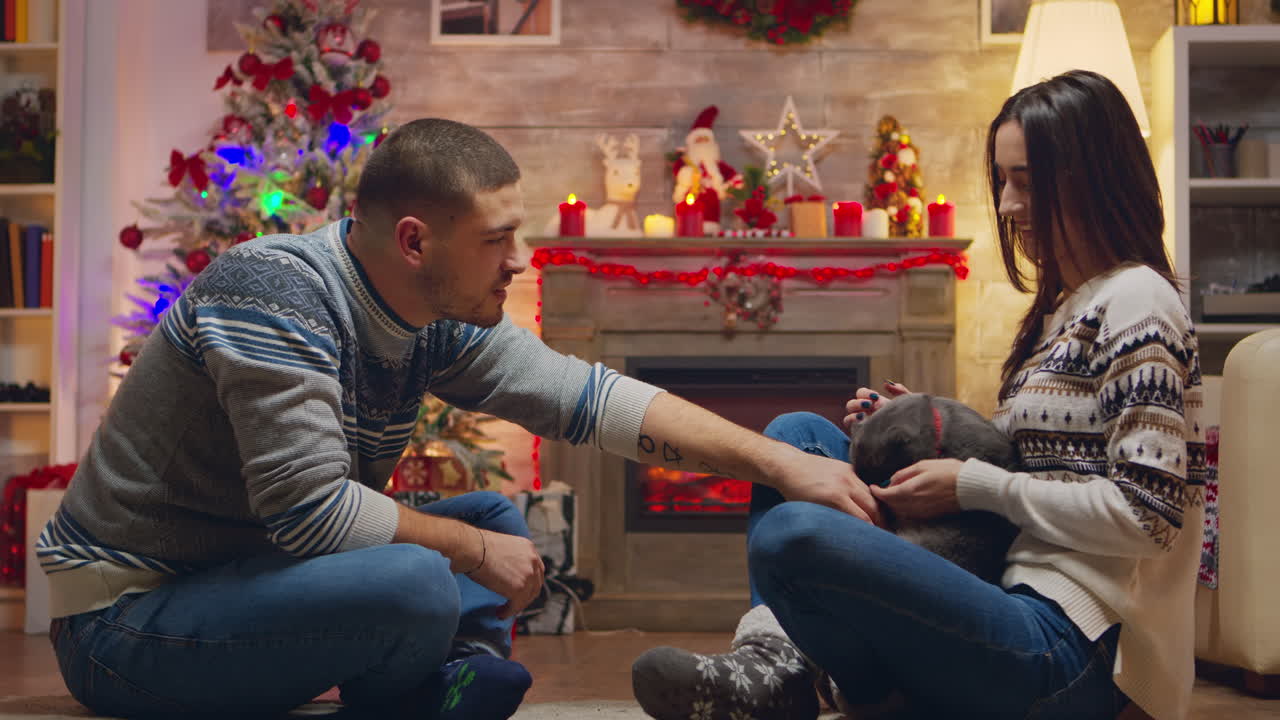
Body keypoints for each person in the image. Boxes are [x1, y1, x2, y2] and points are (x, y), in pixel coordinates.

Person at [38, 118, 879, 720]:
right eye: (498, 239)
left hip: (241, 574)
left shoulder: (427, 314)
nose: (519, 261)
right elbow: (309, 513)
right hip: (128, 620)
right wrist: (471, 554)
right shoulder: (274, 293)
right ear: (414, 242)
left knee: (486, 511)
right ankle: (418, 691)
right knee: (422, 571)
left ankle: (443, 678)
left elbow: (589, 399)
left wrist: (778, 462)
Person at [633, 69, 1205, 720]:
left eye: (1026, 181)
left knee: (794, 533)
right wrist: (920, 423)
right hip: (1009, 585)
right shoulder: (1066, 308)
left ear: (1090, 177)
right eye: (1004, 180)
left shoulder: (1138, 302)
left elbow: (1148, 517)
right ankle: (779, 663)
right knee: (796, 440)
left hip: (1075, 649)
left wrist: (970, 485)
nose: (1010, 205)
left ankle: (810, 679)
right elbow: (1037, 467)